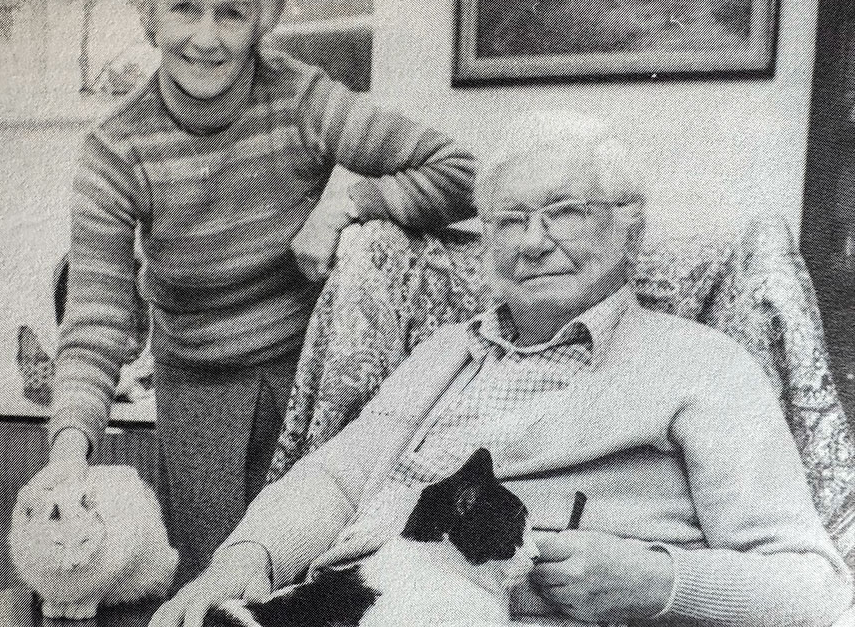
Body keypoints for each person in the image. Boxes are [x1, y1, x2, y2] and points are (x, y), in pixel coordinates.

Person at [152, 111, 853, 627]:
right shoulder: (445, 353)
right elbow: (337, 477)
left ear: (629, 228)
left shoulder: (703, 368)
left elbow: (818, 592)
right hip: (337, 604)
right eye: (509, 221)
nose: (534, 242)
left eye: (564, 213)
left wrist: (659, 581)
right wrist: (247, 559)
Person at [33, 0, 476, 587]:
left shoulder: (302, 99)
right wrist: (67, 452)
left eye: (231, 12)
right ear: (148, 10)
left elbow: (458, 172)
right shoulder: (115, 150)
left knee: (321, 580)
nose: (205, 37)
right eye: (183, 8)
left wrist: (349, 206)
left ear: (262, 17)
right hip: (197, 399)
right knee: (216, 591)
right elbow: (96, 322)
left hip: (319, 385)